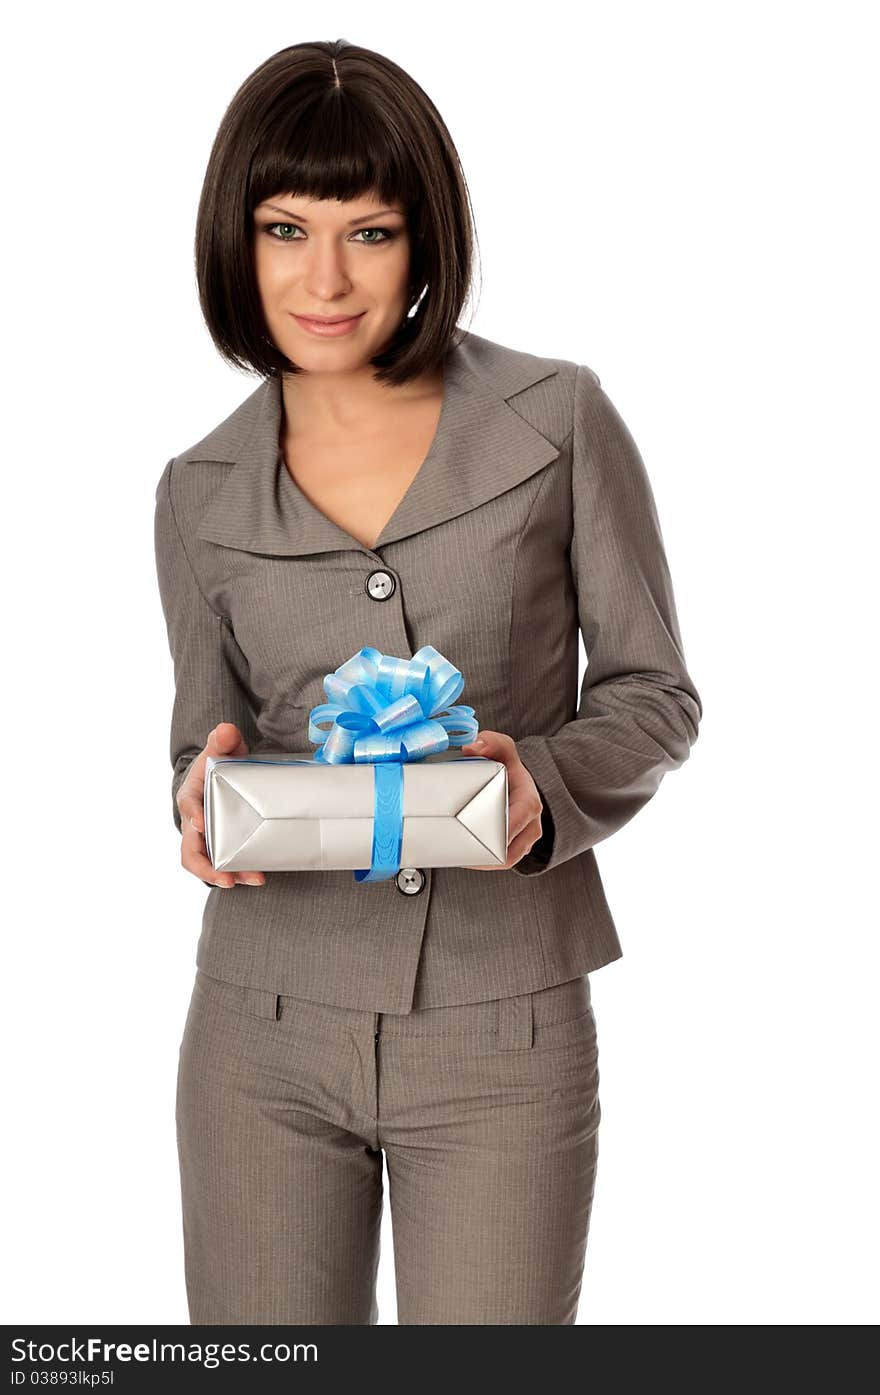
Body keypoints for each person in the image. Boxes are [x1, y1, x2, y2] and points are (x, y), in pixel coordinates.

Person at [154, 38, 702, 1326]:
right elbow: (197, 733)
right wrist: (193, 789)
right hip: (260, 1033)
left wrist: (543, 791)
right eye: (285, 228)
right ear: (236, 244)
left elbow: (654, 694)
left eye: (371, 229)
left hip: (505, 1030)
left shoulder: (558, 419)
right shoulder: (194, 493)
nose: (324, 278)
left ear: (426, 239)